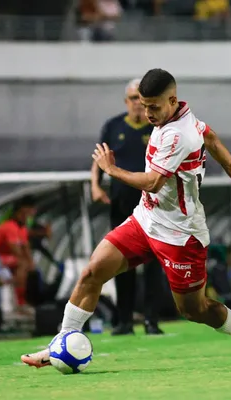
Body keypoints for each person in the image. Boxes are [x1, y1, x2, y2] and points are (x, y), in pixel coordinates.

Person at [21, 68, 231, 368]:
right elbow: (209, 135)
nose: (147, 112)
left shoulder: (178, 135)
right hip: (145, 219)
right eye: (143, 103)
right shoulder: (182, 118)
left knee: (194, 309)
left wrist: (111, 171)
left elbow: (153, 182)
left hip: (180, 233)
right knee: (92, 272)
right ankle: (59, 344)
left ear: (172, 100)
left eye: (153, 106)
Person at [91, 78, 165, 336]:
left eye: (140, 99)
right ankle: (124, 321)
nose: (137, 103)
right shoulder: (113, 127)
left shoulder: (158, 128)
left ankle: (151, 321)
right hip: (122, 205)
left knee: (154, 263)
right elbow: (99, 158)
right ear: (127, 101)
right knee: (121, 262)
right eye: (133, 98)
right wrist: (95, 185)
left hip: (153, 207)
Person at [0, 196, 37, 309]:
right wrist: (26, 262)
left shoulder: (22, 228)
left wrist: (31, 262)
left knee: (30, 267)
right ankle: (20, 301)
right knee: (22, 265)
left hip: (10, 259)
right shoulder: (9, 227)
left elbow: (25, 246)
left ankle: (31, 298)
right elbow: (15, 249)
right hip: (0, 258)